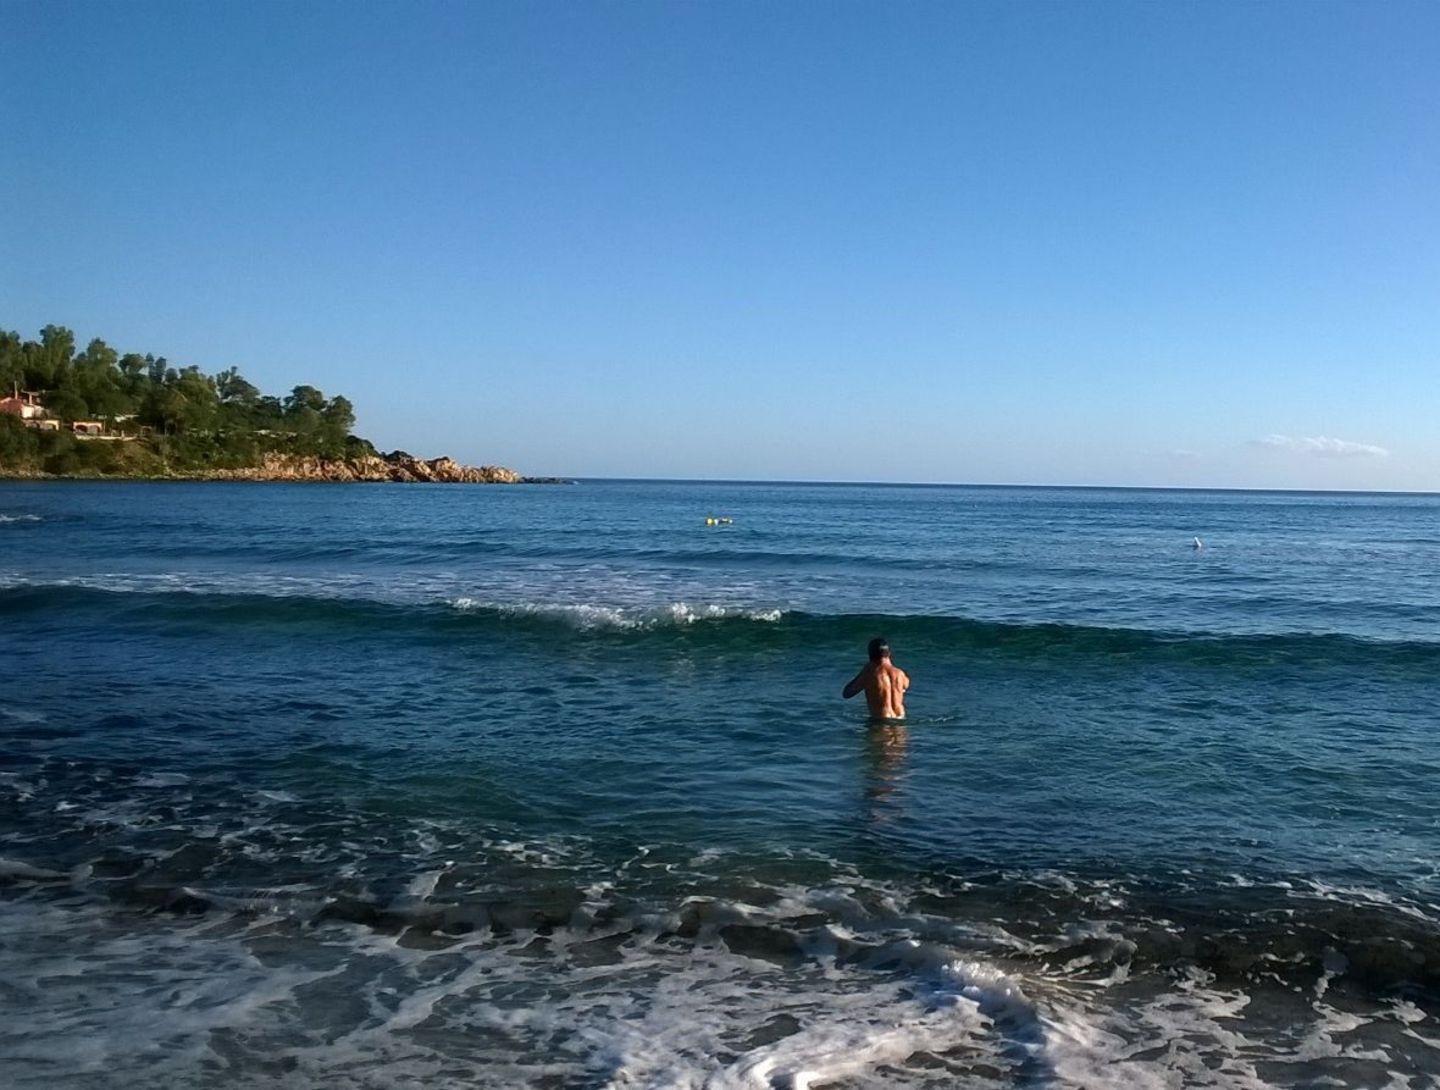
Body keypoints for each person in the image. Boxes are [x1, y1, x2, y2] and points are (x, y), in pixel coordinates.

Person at [842, 636, 909, 720]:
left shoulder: (870, 674)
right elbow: (905, 686)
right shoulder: (900, 674)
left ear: (870, 656)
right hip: (900, 718)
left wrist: (863, 672)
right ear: (889, 653)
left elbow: (847, 693)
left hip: (881, 720)